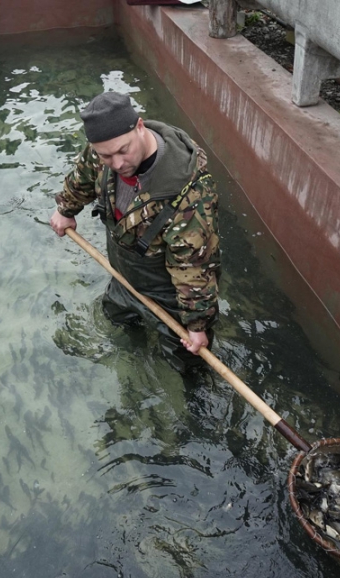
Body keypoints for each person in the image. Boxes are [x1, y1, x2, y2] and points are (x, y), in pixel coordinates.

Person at [50, 91, 221, 373]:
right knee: (117, 322)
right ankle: (132, 363)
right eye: (106, 155)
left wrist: (197, 324)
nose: (117, 164)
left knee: (187, 363)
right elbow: (83, 176)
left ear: (140, 127)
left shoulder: (190, 192)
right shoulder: (102, 152)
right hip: (124, 277)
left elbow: (193, 264)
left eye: (123, 151)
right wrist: (65, 210)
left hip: (171, 297)